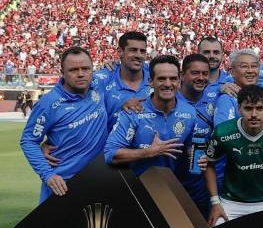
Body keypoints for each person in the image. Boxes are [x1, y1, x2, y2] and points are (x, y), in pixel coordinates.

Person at [20, 46, 108, 202]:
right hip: (63, 186)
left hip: (99, 180)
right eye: (73, 70)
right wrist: (47, 174)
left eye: (86, 69)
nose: (81, 74)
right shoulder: (48, 103)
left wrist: (112, 64)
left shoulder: (98, 84)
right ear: (63, 72)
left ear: (93, 69)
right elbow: (28, 140)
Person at [204, 84, 263, 224]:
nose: (254, 114)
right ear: (239, 108)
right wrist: (215, 202)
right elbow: (208, 165)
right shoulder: (222, 132)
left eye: (259, 108)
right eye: (248, 108)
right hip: (231, 203)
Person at [104, 55, 199, 177]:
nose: (168, 84)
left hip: (172, 185)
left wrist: (198, 157)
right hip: (138, 187)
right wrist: (149, 152)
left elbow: (191, 148)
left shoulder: (190, 112)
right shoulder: (134, 112)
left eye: (173, 79)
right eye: (161, 79)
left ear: (179, 81)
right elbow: (110, 154)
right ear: (150, 81)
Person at [177, 53, 221, 212]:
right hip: (175, 182)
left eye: (205, 73)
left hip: (207, 184)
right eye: (195, 73)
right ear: (182, 75)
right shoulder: (168, 98)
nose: (201, 77)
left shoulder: (218, 95)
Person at [99, 30, 151, 122]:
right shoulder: (103, 80)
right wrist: (122, 112)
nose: (139, 55)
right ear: (120, 52)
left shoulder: (156, 75)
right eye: (133, 50)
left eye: (142, 51)